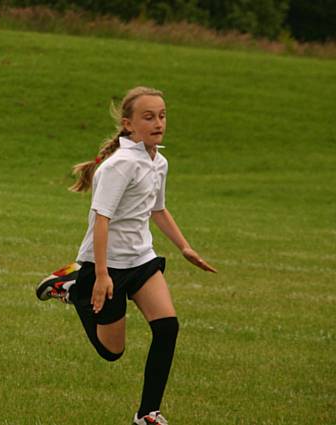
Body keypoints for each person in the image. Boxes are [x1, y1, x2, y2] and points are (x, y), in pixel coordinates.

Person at [36, 87, 216, 425]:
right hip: (105, 265)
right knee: (111, 352)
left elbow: (158, 209)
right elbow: (100, 220)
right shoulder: (119, 165)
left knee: (167, 328)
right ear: (128, 124)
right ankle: (72, 288)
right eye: (148, 117)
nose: (158, 122)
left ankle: (147, 413)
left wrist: (185, 246)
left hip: (142, 261)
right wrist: (101, 275)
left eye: (162, 115)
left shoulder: (158, 161)